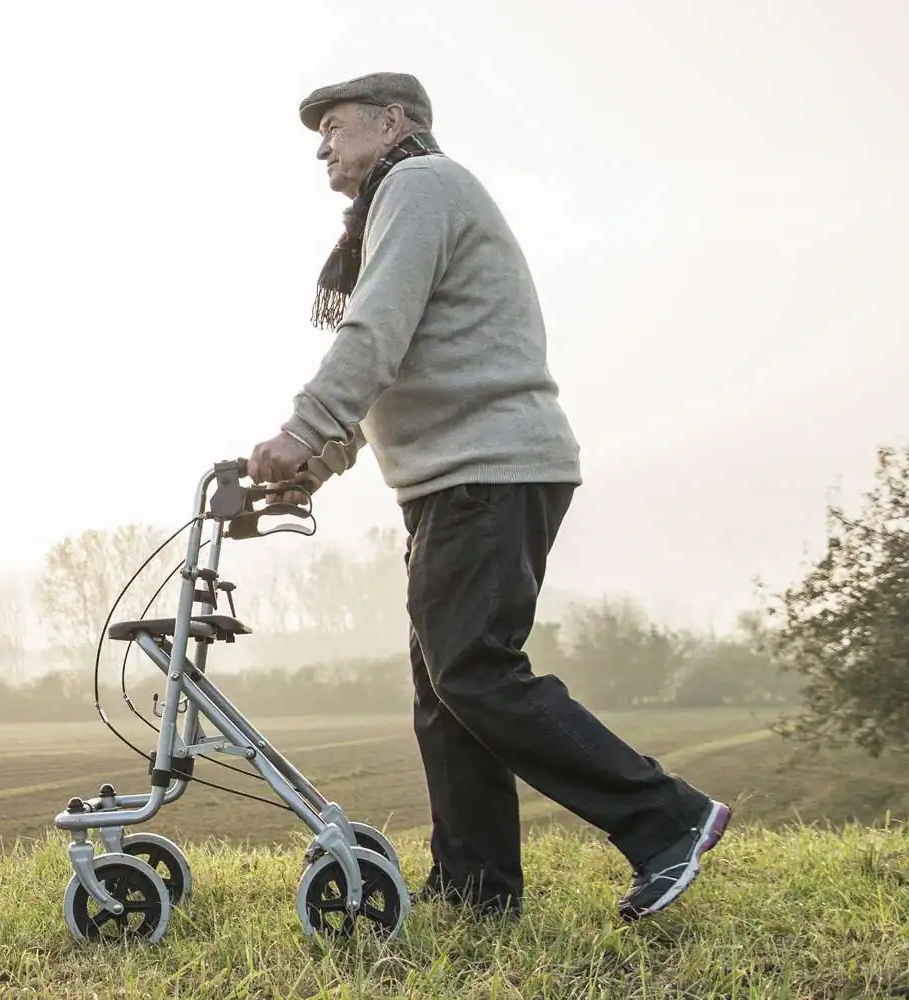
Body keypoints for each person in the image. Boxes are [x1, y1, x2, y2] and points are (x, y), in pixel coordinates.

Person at [246, 71, 730, 922]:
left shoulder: (422, 186)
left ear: (392, 122)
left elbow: (375, 332)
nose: (321, 145)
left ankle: (668, 821)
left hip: (489, 471)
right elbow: (393, 363)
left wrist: (301, 426)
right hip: (461, 477)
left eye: (334, 125)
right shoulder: (406, 199)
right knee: (447, 689)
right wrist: (313, 463)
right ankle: (476, 891)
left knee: (473, 669)